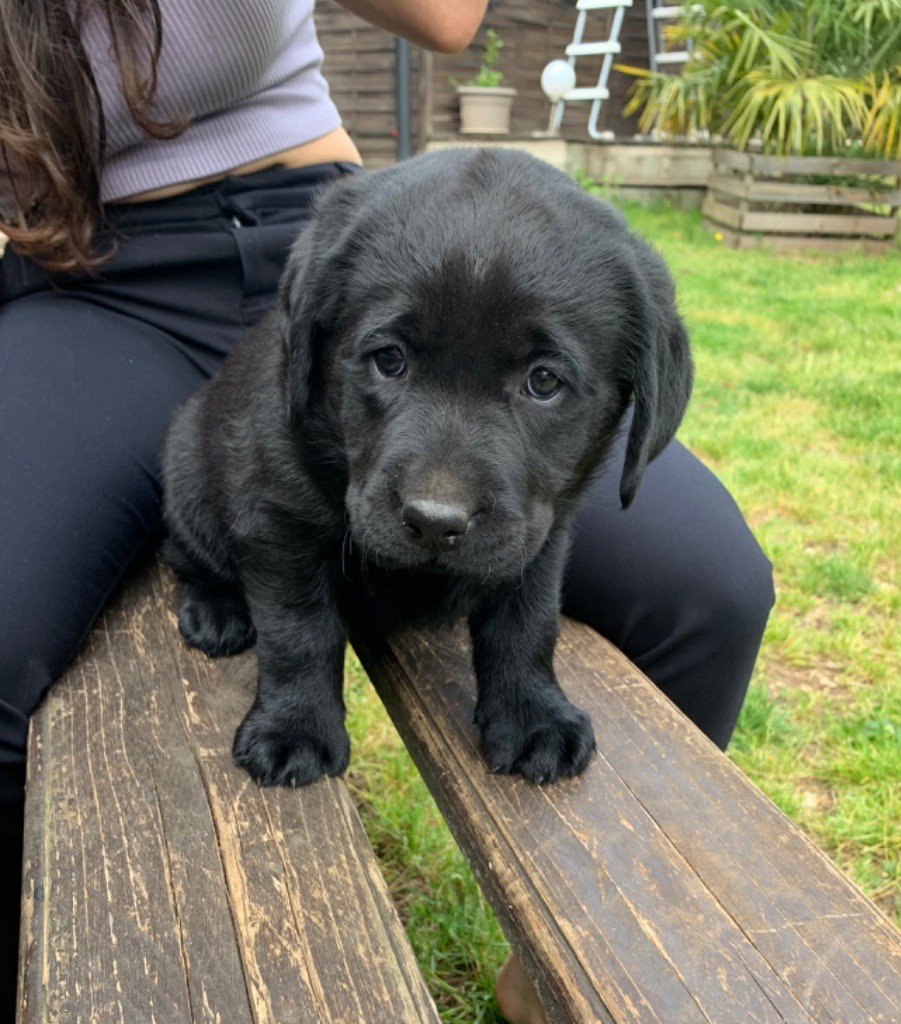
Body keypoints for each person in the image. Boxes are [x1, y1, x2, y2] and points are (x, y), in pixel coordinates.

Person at [0, 2, 774, 1022]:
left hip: (358, 245)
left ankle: (554, 972)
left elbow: (449, 17)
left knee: (711, 588)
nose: (442, 493)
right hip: (89, 276)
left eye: (547, 382)